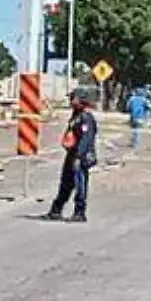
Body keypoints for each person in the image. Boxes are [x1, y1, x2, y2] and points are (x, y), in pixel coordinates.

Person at [46, 88, 99, 223]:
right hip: (71, 153)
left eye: (73, 98)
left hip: (80, 156)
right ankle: (56, 210)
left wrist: (79, 156)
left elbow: (86, 139)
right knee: (66, 183)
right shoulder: (76, 115)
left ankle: (79, 213)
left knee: (80, 184)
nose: (71, 101)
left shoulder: (86, 118)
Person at [127, 85, 151, 149]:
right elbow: (150, 107)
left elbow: (127, 107)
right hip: (141, 117)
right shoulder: (144, 100)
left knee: (134, 130)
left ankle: (134, 142)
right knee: (137, 130)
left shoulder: (132, 99)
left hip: (133, 117)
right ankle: (136, 144)